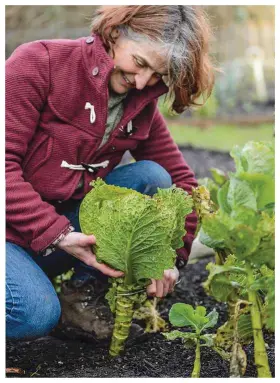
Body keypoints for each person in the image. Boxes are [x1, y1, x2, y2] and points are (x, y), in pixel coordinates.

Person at [6, 5, 215, 342]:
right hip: (14, 233)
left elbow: (183, 183)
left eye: (158, 76)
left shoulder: (138, 103)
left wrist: (171, 255)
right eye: (141, 63)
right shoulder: (40, 63)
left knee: (153, 178)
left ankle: (79, 301)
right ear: (115, 33)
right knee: (33, 314)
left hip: (52, 241)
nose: (143, 82)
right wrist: (57, 233)